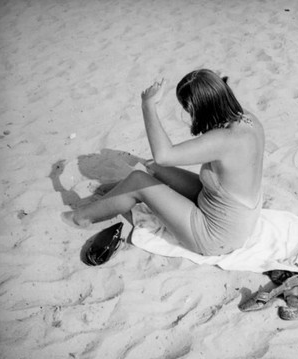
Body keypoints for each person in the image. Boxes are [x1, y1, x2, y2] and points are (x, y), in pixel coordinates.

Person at [62, 69, 265, 256]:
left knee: (138, 180)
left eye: (188, 110)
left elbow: (164, 155)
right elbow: (161, 162)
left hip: (218, 235)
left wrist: (147, 105)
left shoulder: (224, 139)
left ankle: (81, 218)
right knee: (153, 168)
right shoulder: (247, 119)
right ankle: (110, 197)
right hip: (234, 213)